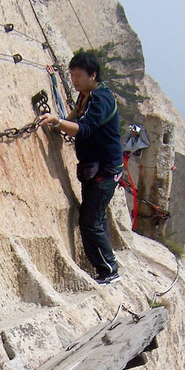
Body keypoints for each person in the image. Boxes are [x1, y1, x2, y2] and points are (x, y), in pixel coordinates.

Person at [38, 50, 124, 285]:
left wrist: (58, 122)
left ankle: (108, 270)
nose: (74, 80)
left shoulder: (101, 99)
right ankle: (106, 264)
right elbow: (76, 116)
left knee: (90, 221)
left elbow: (85, 128)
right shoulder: (87, 95)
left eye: (78, 76)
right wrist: (61, 121)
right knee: (96, 218)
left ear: (92, 75)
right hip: (95, 167)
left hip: (105, 169)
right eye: (72, 76)